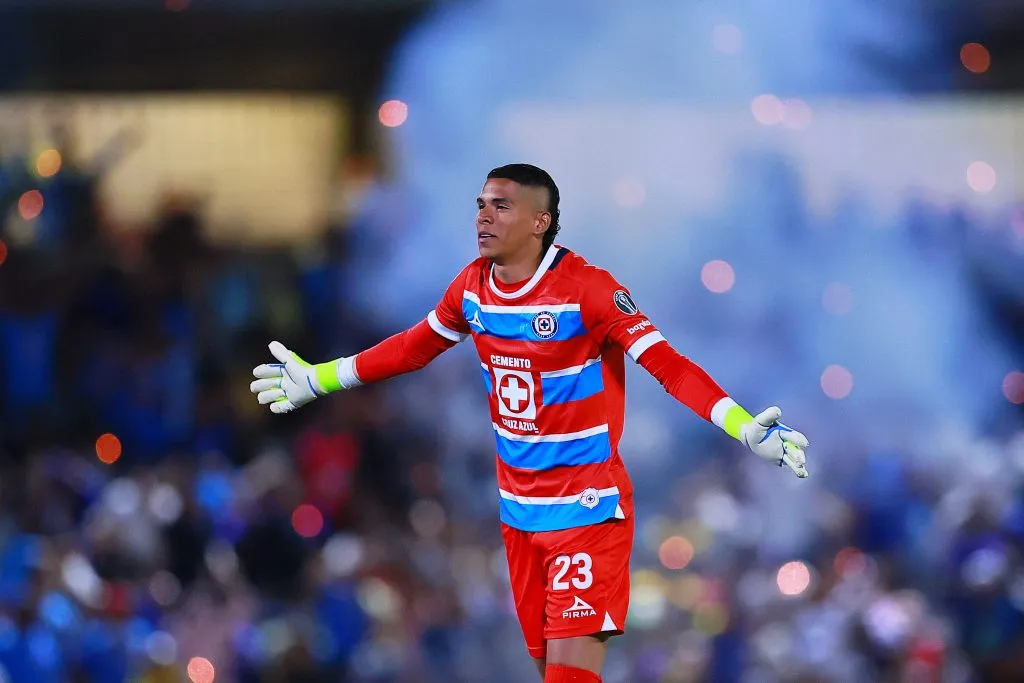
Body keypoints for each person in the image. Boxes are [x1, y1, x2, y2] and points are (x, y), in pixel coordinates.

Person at [249, 163, 810, 683]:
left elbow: (669, 366)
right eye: (480, 205)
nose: (483, 218)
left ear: (540, 221)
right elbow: (412, 349)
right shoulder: (472, 288)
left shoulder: (589, 290)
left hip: (587, 511)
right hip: (520, 516)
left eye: (501, 207)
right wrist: (321, 378)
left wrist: (741, 426)